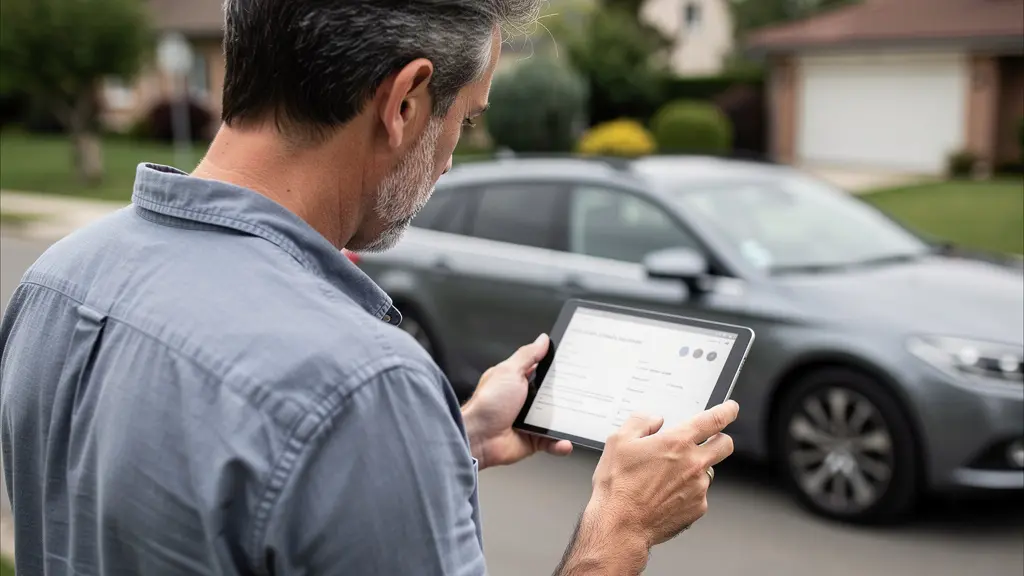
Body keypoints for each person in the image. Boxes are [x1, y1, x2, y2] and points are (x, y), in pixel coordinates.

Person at [0, 1, 740, 574]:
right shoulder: (362, 387)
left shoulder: (57, 282)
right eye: (467, 118)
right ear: (406, 102)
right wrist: (619, 528)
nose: (453, 156)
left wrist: (456, 438)